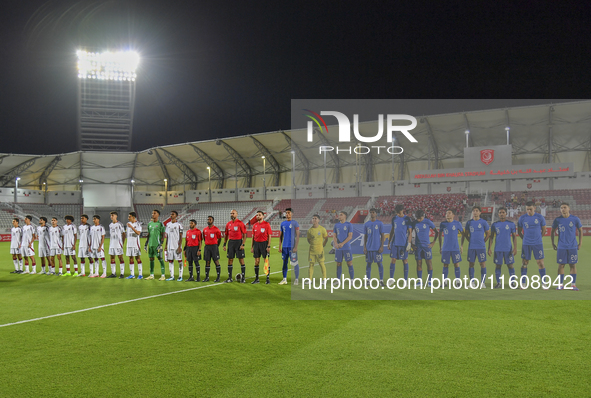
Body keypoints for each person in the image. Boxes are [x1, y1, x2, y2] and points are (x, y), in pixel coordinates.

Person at [551, 203, 583, 291]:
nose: (563, 209)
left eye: (565, 207)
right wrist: (553, 243)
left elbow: (580, 230)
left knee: (572, 264)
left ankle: (573, 284)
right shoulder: (557, 220)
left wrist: (580, 243)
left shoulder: (575, 219)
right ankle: (560, 284)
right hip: (561, 246)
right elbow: (552, 231)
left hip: (573, 246)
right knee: (561, 265)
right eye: (561, 208)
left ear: (569, 208)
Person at [517, 201, 548, 289]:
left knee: (540, 263)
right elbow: (519, 231)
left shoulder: (539, 217)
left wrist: (538, 238)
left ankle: (544, 283)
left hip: (537, 243)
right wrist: (525, 239)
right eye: (527, 209)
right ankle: (523, 283)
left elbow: (544, 229)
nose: (529, 211)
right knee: (524, 262)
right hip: (526, 244)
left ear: (534, 208)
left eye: (530, 209)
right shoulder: (522, 218)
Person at [488, 207, 517, 288]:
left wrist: (515, 248)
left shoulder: (511, 224)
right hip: (498, 249)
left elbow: (514, 237)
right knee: (498, 266)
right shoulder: (495, 224)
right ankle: (498, 283)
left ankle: (512, 283)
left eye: (503, 212)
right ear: (498, 214)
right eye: (500, 212)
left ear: (506, 214)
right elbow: (491, 237)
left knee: (510, 265)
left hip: (508, 249)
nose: (501, 214)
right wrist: (489, 248)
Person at [462, 206, 490, 287]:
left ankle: (482, 283)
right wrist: (470, 241)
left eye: (477, 211)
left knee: (482, 264)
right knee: (471, 264)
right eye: (474, 211)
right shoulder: (469, 222)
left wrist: (483, 241)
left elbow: (488, 233)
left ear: (480, 212)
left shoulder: (484, 222)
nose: (475, 212)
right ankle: (472, 283)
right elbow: (466, 234)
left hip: (481, 247)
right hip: (472, 247)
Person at [412, 210, 438, 287]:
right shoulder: (414, 223)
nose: (418, 220)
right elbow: (409, 233)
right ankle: (419, 281)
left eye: (420, 218)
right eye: (417, 218)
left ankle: (429, 281)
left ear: (423, 216)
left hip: (427, 246)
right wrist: (412, 245)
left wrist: (433, 242)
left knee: (429, 263)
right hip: (418, 246)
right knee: (419, 263)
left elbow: (436, 232)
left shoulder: (428, 222)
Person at [438, 209, 463, 287]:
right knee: (445, 265)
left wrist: (461, 246)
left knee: (456, 264)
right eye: (446, 213)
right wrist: (440, 247)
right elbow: (439, 235)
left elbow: (463, 234)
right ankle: (444, 282)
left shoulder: (457, 224)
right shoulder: (442, 224)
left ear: (453, 215)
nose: (447, 214)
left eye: (449, 213)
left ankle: (458, 281)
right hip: (445, 248)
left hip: (455, 248)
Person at [388, 204, 412, 283]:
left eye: (399, 212)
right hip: (395, 243)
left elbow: (410, 232)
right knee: (393, 260)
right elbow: (392, 231)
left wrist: (409, 243)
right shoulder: (394, 218)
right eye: (397, 212)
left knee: (405, 261)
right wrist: (389, 242)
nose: (398, 214)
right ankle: (391, 279)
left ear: (402, 210)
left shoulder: (407, 219)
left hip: (404, 243)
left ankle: (405, 280)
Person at [223, 209, 247, 283]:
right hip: (231, 243)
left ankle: (243, 278)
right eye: (231, 213)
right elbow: (226, 235)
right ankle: (229, 278)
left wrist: (243, 244)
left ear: (237, 214)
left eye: (233, 213)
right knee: (230, 260)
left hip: (238, 242)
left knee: (241, 260)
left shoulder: (240, 223)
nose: (232, 214)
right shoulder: (228, 224)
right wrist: (224, 244)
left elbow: (245, 234)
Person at [363, 208, 385, 287]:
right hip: (369, 248)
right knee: (368, 264)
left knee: (379, 264)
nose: (372, 214)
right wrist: (364, 247)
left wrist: (382, 246)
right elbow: (365, 236)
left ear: (376, 214)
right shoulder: (366, 224)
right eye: (371, 212)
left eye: (373, 212)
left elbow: (383, 236)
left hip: (377, 248)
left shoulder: (380, 223)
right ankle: (368, 281)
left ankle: (381, 281)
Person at [278, 208, 299, 285]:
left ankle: (296, 279)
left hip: (292, 247)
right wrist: (280, 247)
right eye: (286, 213)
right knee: (284, 263)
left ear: (292, 214)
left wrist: (296, 247)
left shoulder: (295, 223)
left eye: (289, 213)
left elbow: (298, 236)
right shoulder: (282, 224)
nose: (287, 214)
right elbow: (281, 236)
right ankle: (284, 279)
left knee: (295, 263)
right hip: (284, 247)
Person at [144, 209, 166, 281]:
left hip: (157, 245)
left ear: (158, 215)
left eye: (154, 213)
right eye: (152, 213)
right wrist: (146, 244)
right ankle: (151, 275)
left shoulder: (160, 224)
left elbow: (163, 235)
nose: (153, 214)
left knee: (160, 259)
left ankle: (163, 275)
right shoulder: (149, 224)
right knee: (151, 259)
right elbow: (148, 234)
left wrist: (161, 244)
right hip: (151, 245)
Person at [306, 215, 328, 284]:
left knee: (321, 264)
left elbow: (326, 238)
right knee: (311, 265)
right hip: (312, 250)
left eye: (315, 218)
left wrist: (323, 245)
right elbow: (308, 239)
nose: (314, 220)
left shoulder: (322, 229)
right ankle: (309, 280)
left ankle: (324, 279)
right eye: (313, 218)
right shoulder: (310, 230)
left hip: (319, 250)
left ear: (318, 220)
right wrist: (313, 244)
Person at [251, 210, 271, 284]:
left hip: (264, 244)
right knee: (256, 262)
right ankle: (257, 279)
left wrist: (268, 246)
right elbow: (253, 236)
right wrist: (252, 247)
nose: (258, 216)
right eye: (257, 215)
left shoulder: (266, 224)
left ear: (263, 216)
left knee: (266, 262)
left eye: (259, 215)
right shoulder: (255, 225)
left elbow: (269, 236)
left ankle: (267, 279)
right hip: (256, 244)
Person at [333, 211, 354, 281]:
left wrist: (342, 243)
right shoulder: (336, 225)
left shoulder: (349, 225)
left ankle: (352, 280)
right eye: (339, 215)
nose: (339, 216)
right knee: (338, 263)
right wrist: (336, 244)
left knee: (349, 263)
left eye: (341, 215)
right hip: (338, 248)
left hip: (346, 247)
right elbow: (334, 236)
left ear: (345, 216)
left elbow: (350, 236)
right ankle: (338, 280)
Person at [202, 216, 222, 282]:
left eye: (210, 219)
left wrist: (216, 245)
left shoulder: (216, 229)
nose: (208, 220)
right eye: (208, 219)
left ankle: (218, 277)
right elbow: (204, 239)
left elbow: (219, 238)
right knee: (207, 262)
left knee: (216, 261)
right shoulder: (204, 230)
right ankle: (207, 277)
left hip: (214, 247)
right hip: (207, 247)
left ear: (213, 221)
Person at [165, 211, 183, 281]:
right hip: (170, 246)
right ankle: (172, 276)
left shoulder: (179, 225)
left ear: (176, 216)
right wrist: (166, 246)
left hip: (176, 246)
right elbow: (168, 236)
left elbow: (181, 236)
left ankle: (180, 276)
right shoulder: (168, 224)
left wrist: (179, 247)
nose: (171, 215)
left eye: (173, 214)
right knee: (170, 261)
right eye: (171, 214)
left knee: (179, 261)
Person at [108, 211, 126, 278]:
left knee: (120, 258)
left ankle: (122, 274)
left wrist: (122, 243)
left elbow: (124, 234)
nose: (111, 217)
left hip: (118, 244)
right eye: (111, 215)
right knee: (112, 258)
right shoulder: (110, 225)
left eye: (112, 215)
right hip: (112, 244)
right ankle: (113, 273)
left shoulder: (119, 224)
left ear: (116, 216)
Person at [126, 212, 143, 279]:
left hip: (135, 244)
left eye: (129, 216)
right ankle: (132, 274)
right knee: (130, 259)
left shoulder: (138, 224)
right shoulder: (128, 224)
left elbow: (138, 233)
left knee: (137, 258)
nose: (128, 218)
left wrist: (132, 227)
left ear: (133, 217)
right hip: (129, 244)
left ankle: (140, 274)